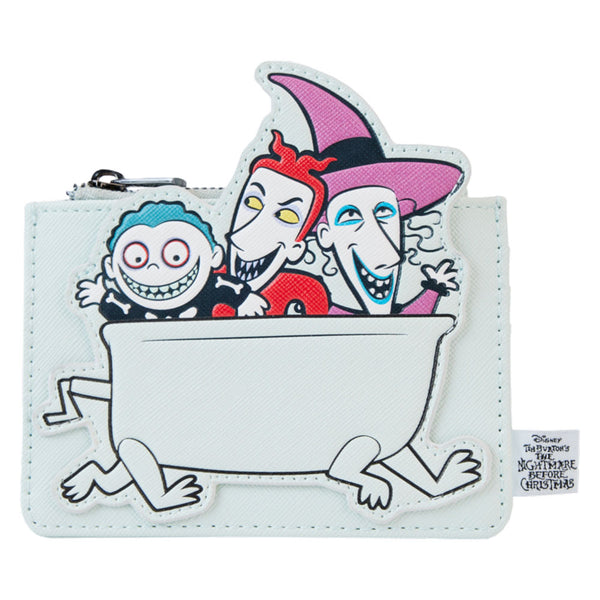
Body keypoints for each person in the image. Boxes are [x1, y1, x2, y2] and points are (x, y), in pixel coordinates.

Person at [270, 74, 464, 316]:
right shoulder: (322, 315)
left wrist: (434, 288)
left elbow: (408, 323)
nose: (389, 256)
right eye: (351, 216)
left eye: (384, 212)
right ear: (325, 235)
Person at [76, 201, 264, 320]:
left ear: (214, 257)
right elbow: (120, 308)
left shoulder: (211, 287)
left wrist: (245, 299)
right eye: (137, 259)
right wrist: (100, 296)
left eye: (176, 257)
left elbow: (225, 287)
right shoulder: (132, 306)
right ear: (110, 267)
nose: (154, 267)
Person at [214, 130, 333, 317]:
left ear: (296, 248)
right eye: (252, 202)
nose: (255, 229)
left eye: (286, 216)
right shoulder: (207, 282)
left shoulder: (306, 292)